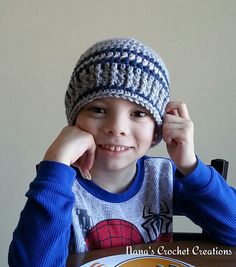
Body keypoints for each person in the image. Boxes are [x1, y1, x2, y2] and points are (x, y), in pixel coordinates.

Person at [8, 38, 236, 267]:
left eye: (138, 113)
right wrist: (56, 163)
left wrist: (191, 166)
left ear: (161, 125)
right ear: (74, 119)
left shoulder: (162, 178)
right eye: (98, 109)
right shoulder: (58, 184)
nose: (117, 128)